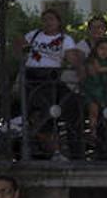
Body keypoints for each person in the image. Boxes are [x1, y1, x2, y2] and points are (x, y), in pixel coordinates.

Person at [20, 8, 82, 160]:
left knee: (71, 104)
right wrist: (22, 54)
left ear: (58, 22)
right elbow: (19, 46)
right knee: (44, 111)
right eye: (45, 19)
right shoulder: (34, 34)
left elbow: (72, 58)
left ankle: (76, 151)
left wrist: (81, 67)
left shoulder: (64, 39)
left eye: (51, 19)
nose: (48, 22)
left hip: (52, 76)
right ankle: (51, 150)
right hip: (33, 76)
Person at [82, 37, 107, 157]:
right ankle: (92, 133)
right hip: (93, 89)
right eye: (102, 48)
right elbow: (97, 69)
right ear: (96, 49)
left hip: (104, 90)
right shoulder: (93, 60)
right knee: (93, 111)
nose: (104, 52)